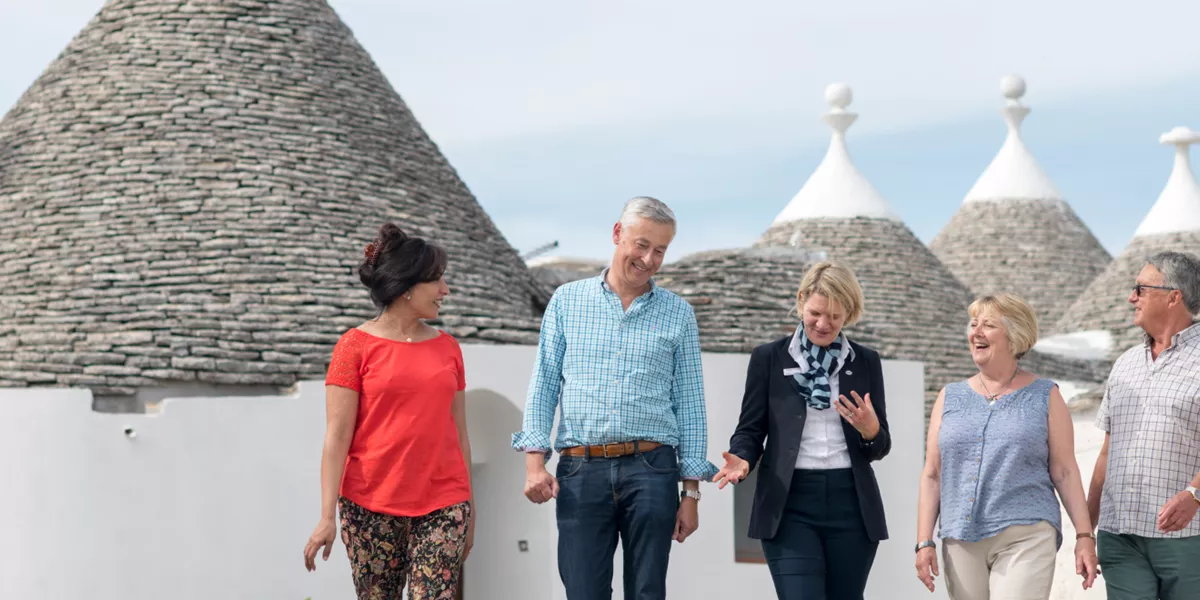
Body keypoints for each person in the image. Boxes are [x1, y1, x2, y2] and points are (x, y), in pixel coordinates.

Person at [512, 196, 717, 600]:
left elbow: (690, 405)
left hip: (652, 470)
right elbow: (544, 384)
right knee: (583, 591)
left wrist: (690, 494)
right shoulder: (566, 302)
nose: (649, 258)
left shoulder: (678, 314)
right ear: (617, 234)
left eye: (660, 250)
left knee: (647, 592)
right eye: (642, 244)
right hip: (579, 470)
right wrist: (535, 465)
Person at [302, 223, 474, 599]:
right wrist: (325, 516)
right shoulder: (353, 347)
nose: (445, 291)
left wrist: (469, 508)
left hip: (445, 504)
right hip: (369, 505)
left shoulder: (449, 348)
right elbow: (337, 438)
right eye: (438, 281)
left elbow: (459, 432)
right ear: (408, 286)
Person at [712, 261, 891, 600]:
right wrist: (742, 458)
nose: (824, 324)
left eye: (835, 317)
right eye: (816, 313)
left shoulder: (866, 362)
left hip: (851, 503)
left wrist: (871, 429)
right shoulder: (768, 358)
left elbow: (879, 448)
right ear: (801, 301)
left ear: (848, 314)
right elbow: (750, 429)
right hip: (789, 503)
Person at [914, 293, 1099, 599]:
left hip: (1027, 534)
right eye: (974, 324)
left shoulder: (1045, 395)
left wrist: (1083, 536)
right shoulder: (949, 397)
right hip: (959, 538)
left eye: (988, 325)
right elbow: (932, 474)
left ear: (1014, 335)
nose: (976, 332)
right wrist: (924, 541)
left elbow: (1065, 471)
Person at [1086, 251, 1200, 600]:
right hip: (1119, 537)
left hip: (1188, 539)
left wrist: (1196, 494)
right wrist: (1084, 532)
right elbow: (1107, 452)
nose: (1130, 297)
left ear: (1173, 296)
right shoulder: (1125, 364)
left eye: (1140, 289)